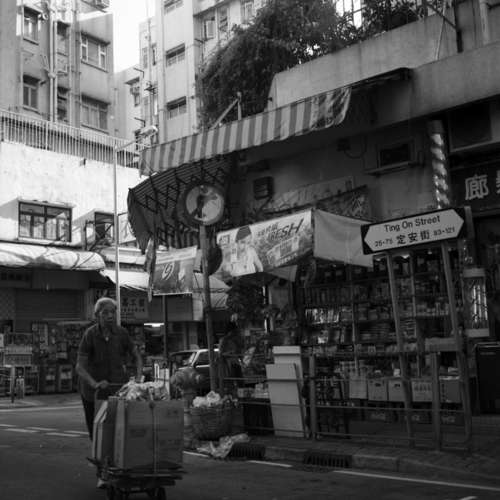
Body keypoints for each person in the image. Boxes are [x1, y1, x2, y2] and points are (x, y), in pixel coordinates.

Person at [76, 297, 143, 440]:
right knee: (96, 431)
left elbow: (137, 357)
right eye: (105, 313)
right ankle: (97, 451)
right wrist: (95, 384)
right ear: (97, 315)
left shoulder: (122, 333)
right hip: (92, 392)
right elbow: (80, 367)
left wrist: (138, 378)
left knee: (117, 429)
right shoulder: (90, 335)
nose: (110, 316)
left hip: (116, 390)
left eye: (113, 312)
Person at [218, 322, 244, 392]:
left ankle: (240, 396)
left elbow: (238, 351)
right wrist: (230, 353)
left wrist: (241, 359)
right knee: (231, 383)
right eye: (233, 331)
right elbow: (221, 354)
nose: (234, 333)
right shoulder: (223, 340)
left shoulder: (234, 340)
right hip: (228, 364)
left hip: (235, 363)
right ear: (229, 331)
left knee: (240, 382)